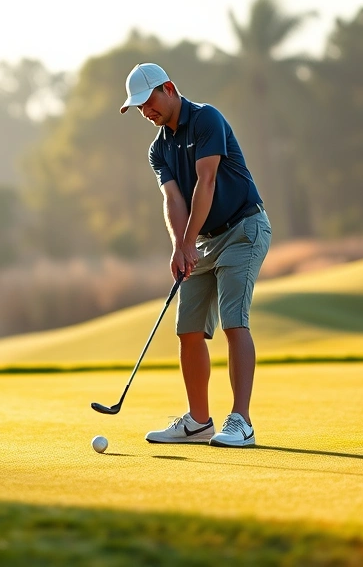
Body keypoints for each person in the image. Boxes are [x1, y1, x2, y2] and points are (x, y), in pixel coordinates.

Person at [120, 63, 271, 448]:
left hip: (243, 229)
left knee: (234, 323)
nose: (144, 112)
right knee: (188, 329)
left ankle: (242, 422)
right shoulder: (159, 148)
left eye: (147, 101)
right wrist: (180, 244)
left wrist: (188, 243)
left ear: (168, 88)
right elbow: (173, 199)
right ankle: (199, 422)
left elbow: (206, 181)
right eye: (137, 107)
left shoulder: (207, 119)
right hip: (201, 239)